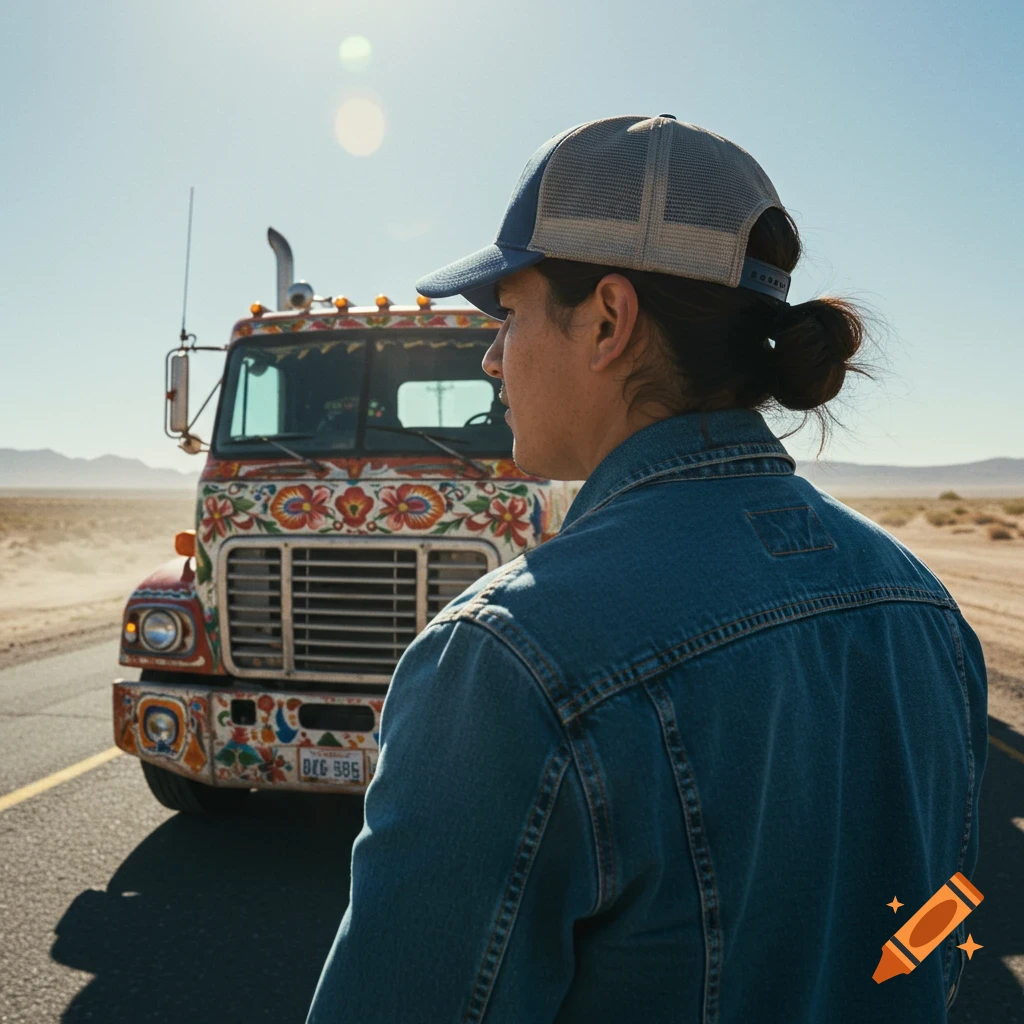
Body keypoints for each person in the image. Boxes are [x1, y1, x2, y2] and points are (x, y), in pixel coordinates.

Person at [306, 115, 988, 1023]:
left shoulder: (510, 658)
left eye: (507, 314)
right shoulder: (926, 610)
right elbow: (942, 926)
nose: (490, 357)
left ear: (608, 320)